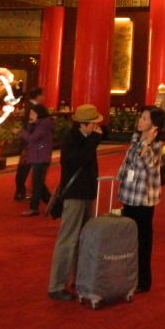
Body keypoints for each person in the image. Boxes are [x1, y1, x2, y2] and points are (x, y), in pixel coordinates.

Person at [48, 103, 104, 301]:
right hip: (74, 195)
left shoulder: (86, 138)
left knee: (84, 239)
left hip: (86, 193)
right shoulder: (72, 139)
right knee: (68, 239)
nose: (97, 127)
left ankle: (79, 279)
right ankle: (56, 285)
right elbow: (80, 160)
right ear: (84, 124)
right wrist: (94, 140)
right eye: (94, 124)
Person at [117, 105, 165, 293]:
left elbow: (148, 165)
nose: (140, 120)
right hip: (129, 194)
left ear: (155, 125)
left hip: (143, 199)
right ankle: (129, 276)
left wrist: (148, 143)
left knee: (143, 241)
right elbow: (128, 164)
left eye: (145, 119)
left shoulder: (156, 146)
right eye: (141, 117)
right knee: (129, 238)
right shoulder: (135, 139)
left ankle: (143, 281)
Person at [18, 103, 54, 216]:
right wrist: (31, 123)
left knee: (37, 183)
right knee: (38, 183)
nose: (31, 115)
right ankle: (53, 204)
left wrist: (20, 132)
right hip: (38, 156)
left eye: (33, 113)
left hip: (41, 157)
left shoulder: (44, 125)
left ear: (39, 114)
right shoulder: (39, 124)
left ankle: (35, 207)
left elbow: (32, 138)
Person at [13, 86, 44, 200]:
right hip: (30, 143)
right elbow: (31, 127)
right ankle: (21, 191)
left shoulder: (29, 106)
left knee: (25, 168)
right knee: (26, 168)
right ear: (38, 96)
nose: (44, 97)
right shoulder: (33, 108)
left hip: (28, 141)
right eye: (42, 95)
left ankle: (21, 191)